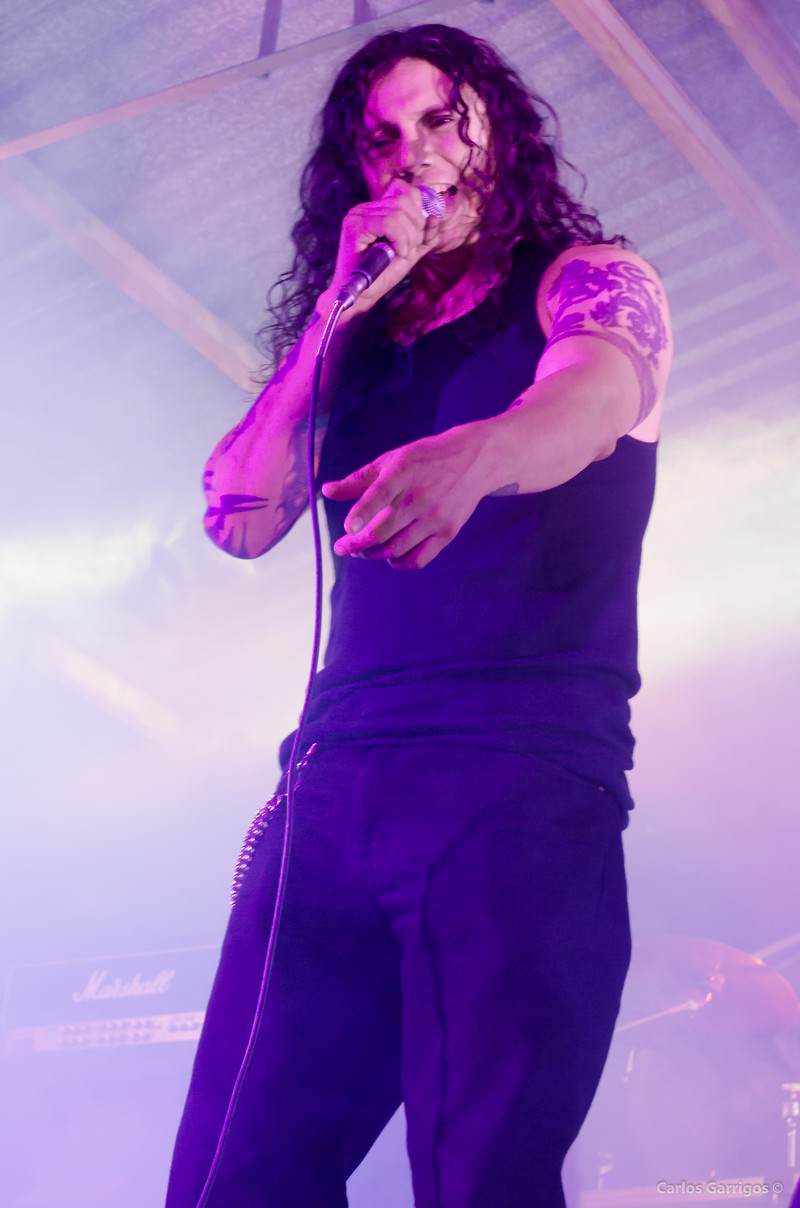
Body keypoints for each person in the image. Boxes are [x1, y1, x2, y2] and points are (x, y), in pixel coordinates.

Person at [166, 22, 672, 1208]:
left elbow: (595, 392)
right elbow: (240, 515)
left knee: (477, 1174)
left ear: (497, 127)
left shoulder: (584, 276)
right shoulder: (356, 338)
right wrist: (333, 315)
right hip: (333, 787)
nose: (415, 154)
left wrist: (476, 455)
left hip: (516, 778)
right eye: (382, 138)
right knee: (232, 1177)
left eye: (440, 119)